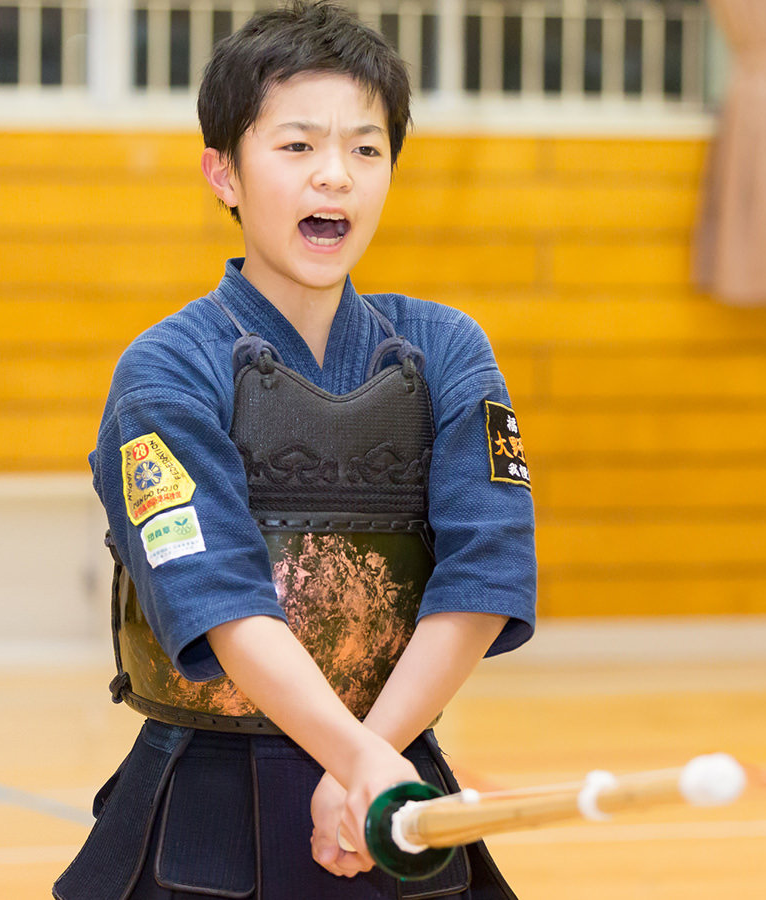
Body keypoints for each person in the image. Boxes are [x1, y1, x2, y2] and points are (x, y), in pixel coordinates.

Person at [53, 3, 537, 897]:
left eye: (366, 148)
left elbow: (486, 573)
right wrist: (355, 757)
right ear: (223, 173)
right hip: (198, 800)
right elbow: (217, 595)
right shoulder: (164, 370)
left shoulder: (452, 350)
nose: (336, 177)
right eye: (297, 147)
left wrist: (371, 764)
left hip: (393, 782)